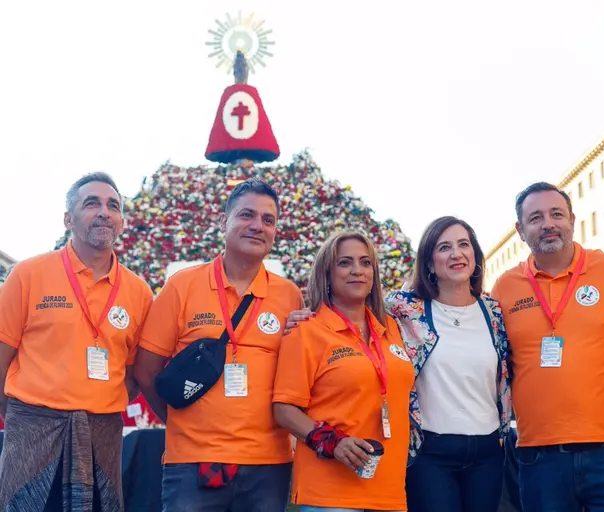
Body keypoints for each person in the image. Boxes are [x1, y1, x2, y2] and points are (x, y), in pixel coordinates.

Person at [133, 178, 304, 511]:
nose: (257, 226)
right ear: (224, 221)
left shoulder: (288, 295)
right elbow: (145, 370)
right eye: (246, 215)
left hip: (268, 465)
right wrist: (181, 422)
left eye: (268, 220)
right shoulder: (183, 286)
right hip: (194, 463)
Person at [0, 172, 154, 511]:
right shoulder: (28, 274)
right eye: (92, 203)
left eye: (113, 205)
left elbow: (134, 374)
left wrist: (95, 401)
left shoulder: (138, 292)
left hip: (102, 432)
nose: (104, 212)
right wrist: (23, 417)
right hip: (33, 429)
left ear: (122, 222)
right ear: (68, 219)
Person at [491, 182, 604, 511]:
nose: (547, 224)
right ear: (520, 229)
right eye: (535, 218)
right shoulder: (505, 288)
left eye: (556, 214)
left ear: (572, 219)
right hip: (538, 456)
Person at [272, 230, 415, 512]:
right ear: (327, 273)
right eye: (345, 263)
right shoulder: (306, 330)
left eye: (365, 262)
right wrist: (333, 443)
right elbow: (283, 409)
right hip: (329, 491)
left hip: (388, 489)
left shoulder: (391, 329)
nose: (357, 271)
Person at [384, 216, 512, 512]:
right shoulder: (404, 309)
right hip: (431, 454)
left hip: (487, 453)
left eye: (463, 244)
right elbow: (350, 304)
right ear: (429, 263)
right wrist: (303, 315)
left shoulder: (494, 312)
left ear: (475, 256)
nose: (456, 254)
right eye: (444, 247)